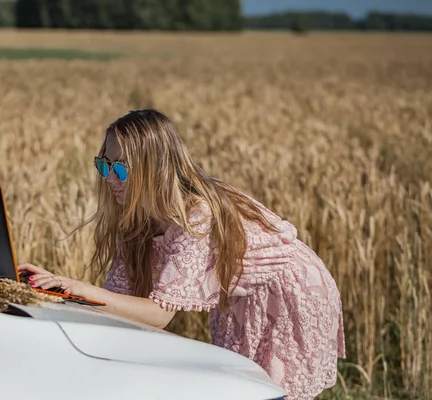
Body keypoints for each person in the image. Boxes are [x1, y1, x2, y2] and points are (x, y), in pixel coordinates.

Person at [18, 109, 346, 400]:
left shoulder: (196, 215)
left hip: (289, 294)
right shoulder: (134, 218)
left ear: (154, 170)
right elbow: (118, 306)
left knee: (267, 392)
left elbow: (159, 315)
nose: (110, 179)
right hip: (238, 299)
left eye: (120, 169)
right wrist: (53, 291)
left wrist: (83, 289)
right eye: (103, 165)